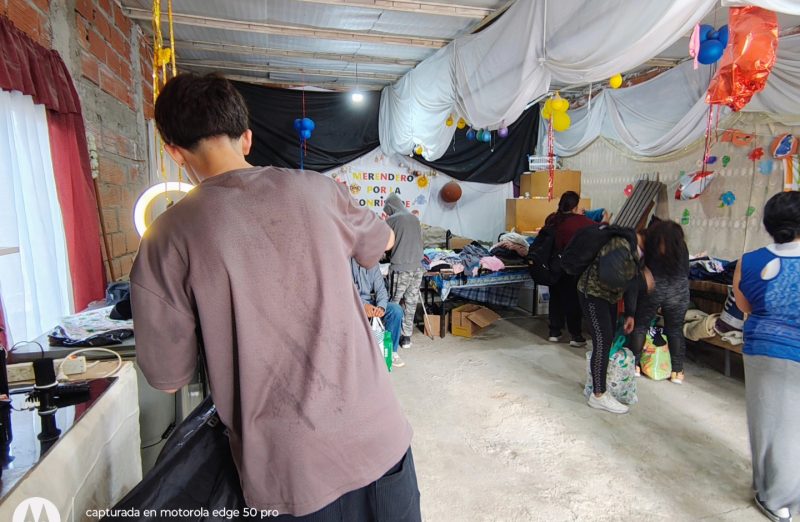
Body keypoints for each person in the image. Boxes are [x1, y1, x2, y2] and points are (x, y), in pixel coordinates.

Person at [130, 73, 421, 520]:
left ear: (174, 151)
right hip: (379, 436)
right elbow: (383, 241)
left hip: (290, 470)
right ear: (246, 138)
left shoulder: (166, 236)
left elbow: (168, 378)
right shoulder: (319, 190)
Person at [733, 191, 800, 522]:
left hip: (765, 349)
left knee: (770, 426)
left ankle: (775, 498)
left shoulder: (748, 261)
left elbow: (744, 305)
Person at [577, 227, 649, 414]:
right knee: (603, 340)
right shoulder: (620, 244)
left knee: (606, 341)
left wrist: (630, 313)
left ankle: (599, 388)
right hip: (593, 294)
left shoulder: (637, 251)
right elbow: (611, 277)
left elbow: (631, 284)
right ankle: (598, 395)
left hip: (608, 297)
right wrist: (643, 281)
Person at [629, 220, 690, 383]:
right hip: (678, 289)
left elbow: (640, 264)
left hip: (653, 286)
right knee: (675, 329)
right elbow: (686, 270)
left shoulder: (652, 244)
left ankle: (634, 365)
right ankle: (677, 371)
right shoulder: (681, 246)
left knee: (641, 326)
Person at [544, 191, 608, 347]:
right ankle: (575, 336)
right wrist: (605, 219)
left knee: (555, 298)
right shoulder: (580, 221)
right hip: (571, 267)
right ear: (574, 207)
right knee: (572, 300)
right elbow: (600, 229)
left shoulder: (552, 219)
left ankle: (554, 332)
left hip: (553, 265)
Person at [384, 193, 424, 349]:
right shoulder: (414, 218)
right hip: (417, 268)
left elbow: (386, 245)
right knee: (411, 302)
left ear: (390, 207)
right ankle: (406, 337)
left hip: (401, 269)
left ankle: (390, 339)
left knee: (393, 304)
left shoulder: (391, 220)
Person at [351, 258, 406, 368]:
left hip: (369, 302)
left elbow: (381, 290)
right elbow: (344, 292)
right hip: (350, 303)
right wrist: (363, 306)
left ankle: (390, 352)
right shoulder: (345, 262)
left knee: (395, 310)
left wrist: (381, 307)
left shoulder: (372, 263)